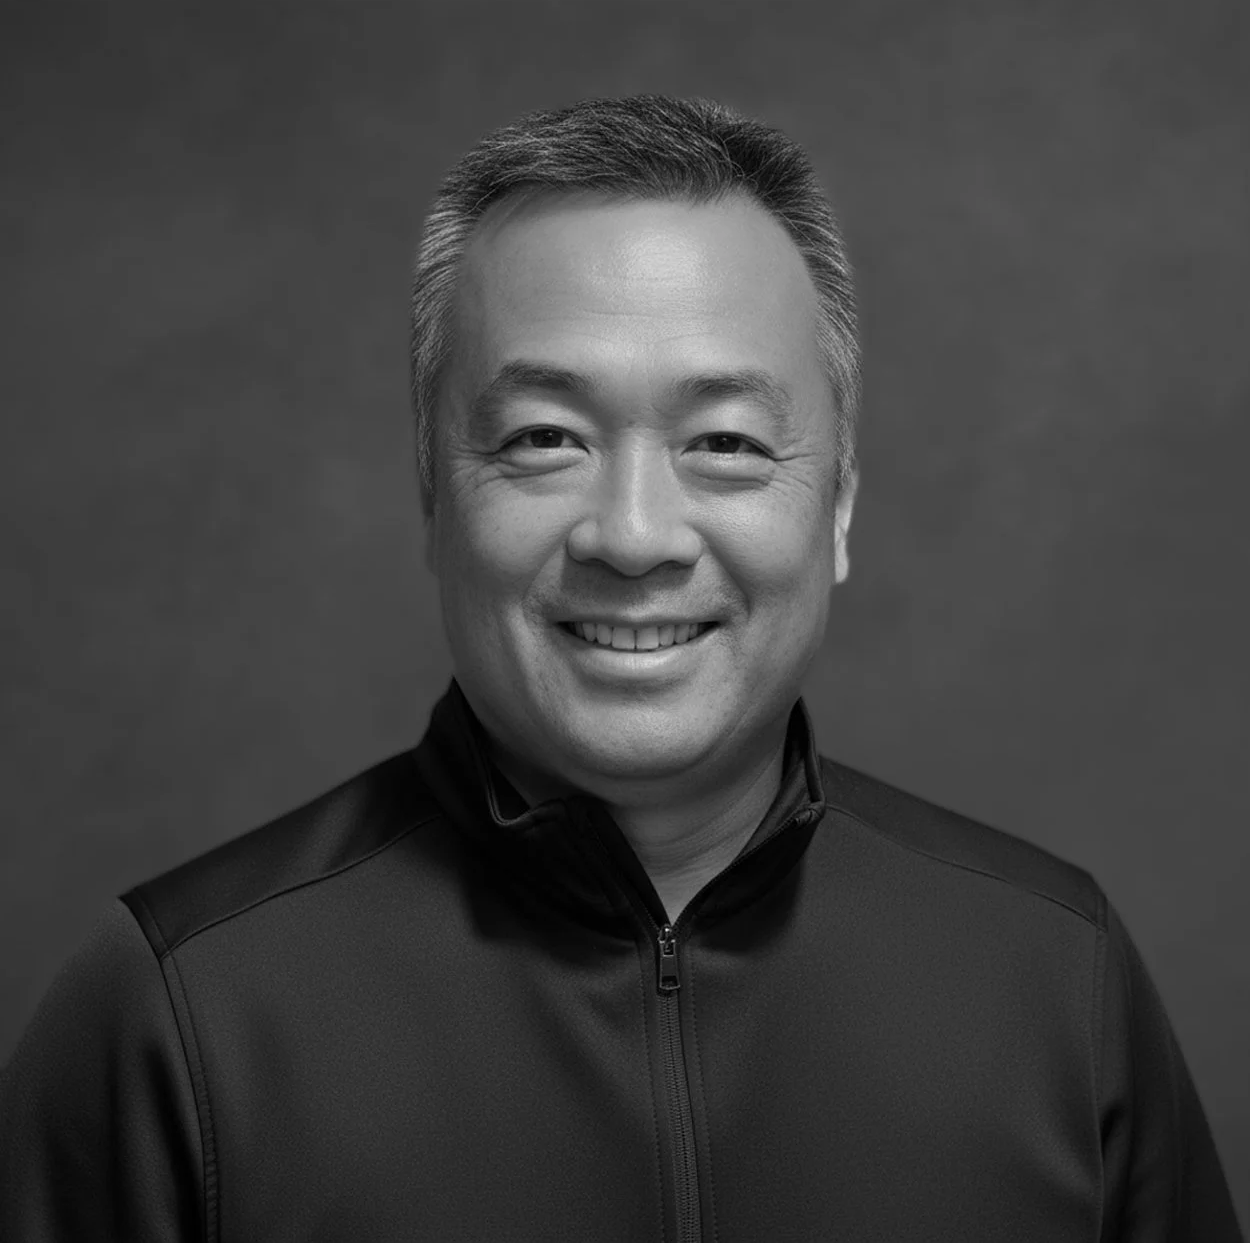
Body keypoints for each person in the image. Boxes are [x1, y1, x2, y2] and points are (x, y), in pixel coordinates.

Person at [0, 95, 1240, 1242]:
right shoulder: (176, 1011)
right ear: (436, 492)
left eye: (725, 441)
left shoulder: (1053, 977)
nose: (634, 535)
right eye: (544, 437)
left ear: (841, 503)